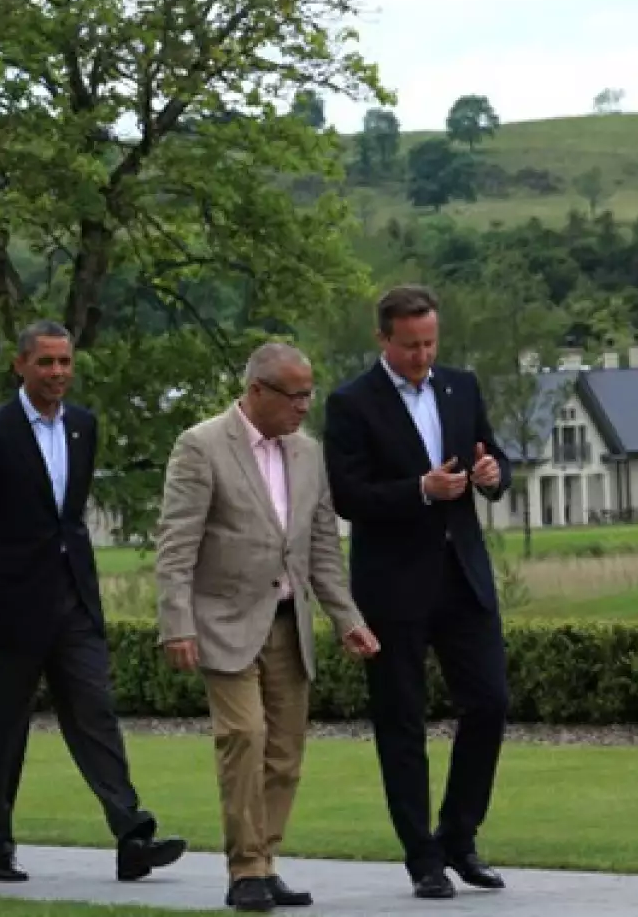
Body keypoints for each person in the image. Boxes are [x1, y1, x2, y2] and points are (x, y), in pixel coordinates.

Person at [154, 343, 380, 912]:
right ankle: (245, 870)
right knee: (245, 737)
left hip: (289, 622)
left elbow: (322, 548)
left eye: (310, 394)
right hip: (222, 623)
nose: (305, 406)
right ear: (257, 391)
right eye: (295, 394)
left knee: (284, 752)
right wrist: (175, 623)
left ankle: (264, 860)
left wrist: (346, 619)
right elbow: (176, 544)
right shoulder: (200, 446)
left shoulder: (309, 454)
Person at [0, 320, 186, 883]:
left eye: (64, 362)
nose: (58, 373)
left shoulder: (84, 427)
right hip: (9, 610)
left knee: (96, 714)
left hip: (73, 603)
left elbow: (68, 518)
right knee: (3, 731)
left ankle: (131, 832)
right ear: (21, 365)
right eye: (46, 363)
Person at [322, 285, 513, 900]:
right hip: (394, 586)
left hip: (463, 577)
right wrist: (420, 490)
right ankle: (422, 857)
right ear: (383, 339)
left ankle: (460, 836)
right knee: (401, 723)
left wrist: (492, 475)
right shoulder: (351, 403)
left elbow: (494, 456)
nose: (422, 356)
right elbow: (349, 495)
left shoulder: (461, 385)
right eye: (410, 346)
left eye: (430, 343)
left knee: (489, 703)